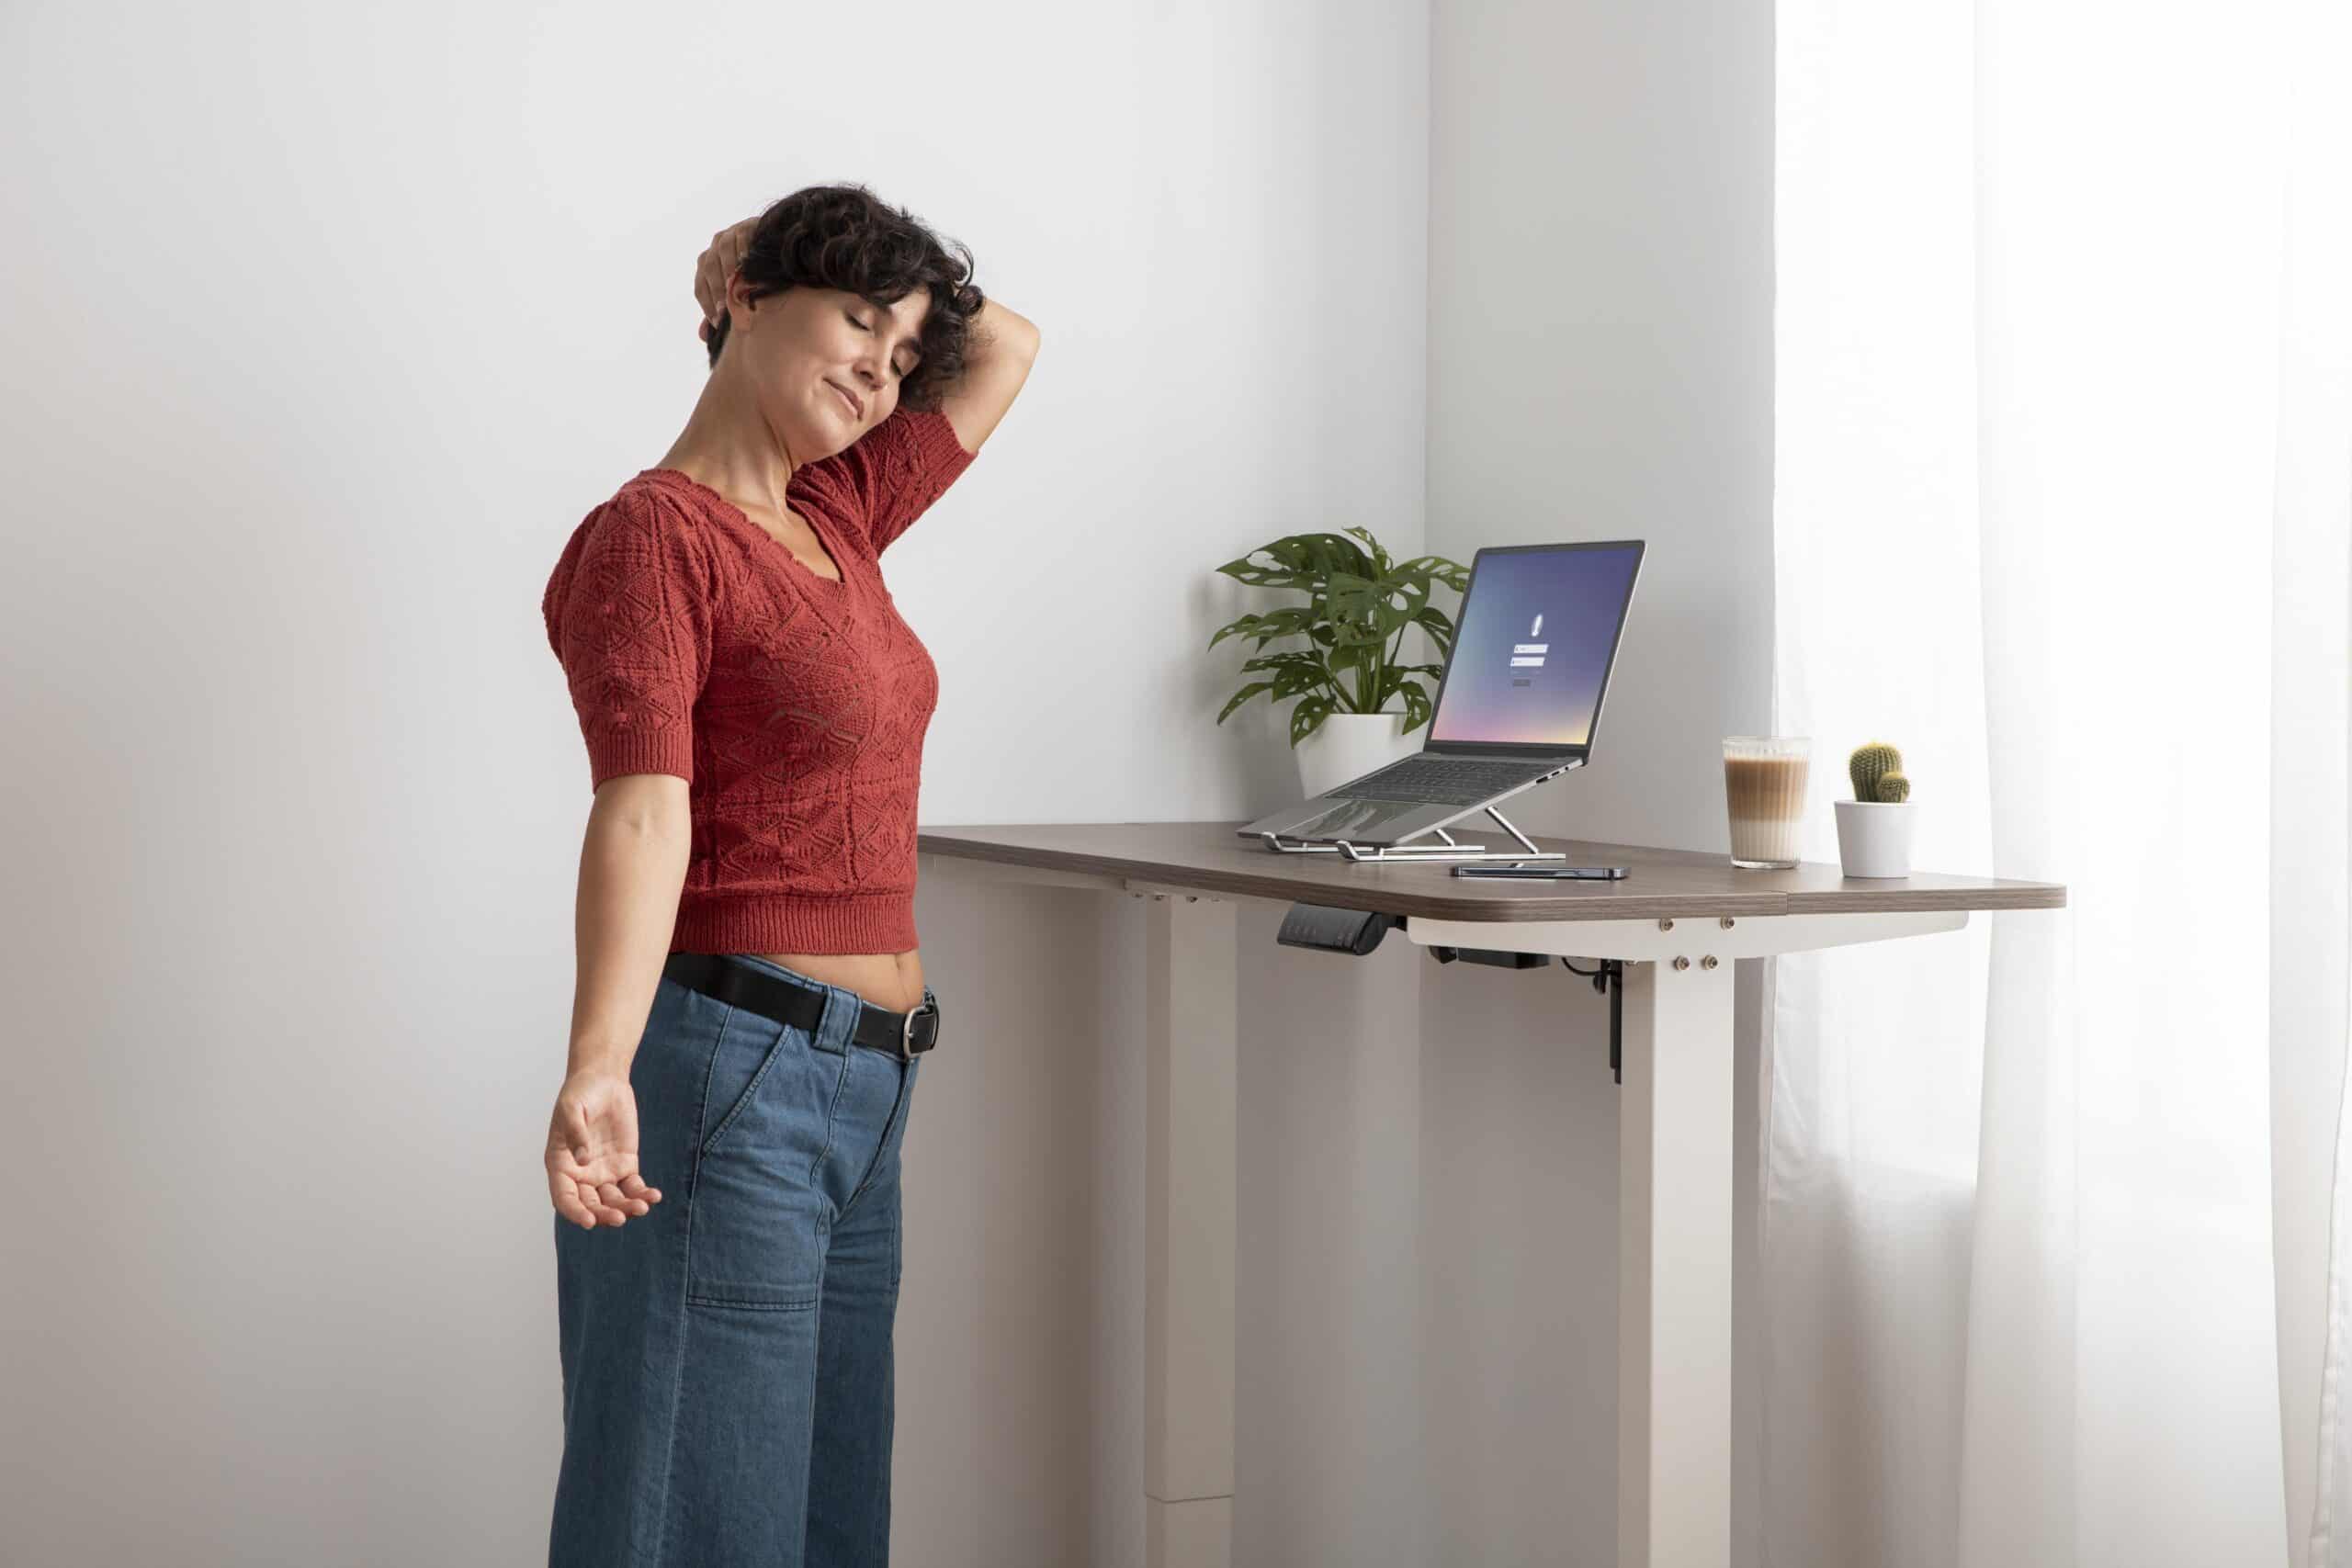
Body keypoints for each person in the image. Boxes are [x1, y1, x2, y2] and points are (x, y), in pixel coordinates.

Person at [537, 183, 1040, 1567]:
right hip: (731, 1079)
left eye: (900, 355)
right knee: (699, 1523)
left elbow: (1011, 348)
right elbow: (644, 815)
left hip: (868, 1090)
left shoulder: (844, 514)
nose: (881, 370)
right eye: (858, 322)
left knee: (821, 1527)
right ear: (747, 307)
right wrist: (598, 1066)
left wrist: (908, 298)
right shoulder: (655, 537)